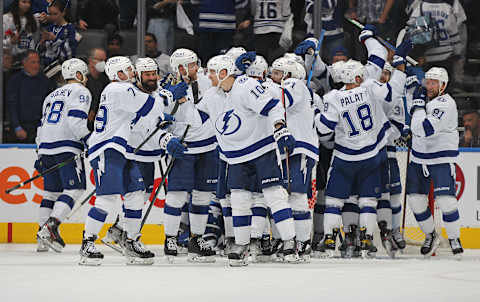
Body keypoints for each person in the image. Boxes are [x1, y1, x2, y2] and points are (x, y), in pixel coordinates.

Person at [314, 25, 409, 258]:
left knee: (335, 201)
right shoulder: (368, 88)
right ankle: (366, 237)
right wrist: (369, 38)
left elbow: (323, 129)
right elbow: (391, 86)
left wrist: (316, 109)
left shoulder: (334, 97)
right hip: (372, 155)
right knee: (368, 200)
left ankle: (329, 238)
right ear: (357, 77)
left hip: (345, 157)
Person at [195, 54, 298, 266]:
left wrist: (280, 127)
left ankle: (290, 242)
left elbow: (273, 105)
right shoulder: (212, 95)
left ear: (224, 73)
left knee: (274, 196)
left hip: (261, 150)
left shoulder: (246, 86)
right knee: (239, 200)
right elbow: (195, 121)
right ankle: (241, 245)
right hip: (234, 156)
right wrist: (177, 108)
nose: (209, 76)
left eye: (212, 72)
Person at [79, 56, 179, 266]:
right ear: (119, 74)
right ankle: (87, 242)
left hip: (123, 150)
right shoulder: (119, 89)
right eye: (128, 70)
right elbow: (147, 106)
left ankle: (131, 241)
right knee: (106, 199)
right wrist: (167, 95)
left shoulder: (123, 90)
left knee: (135, 194)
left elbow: (144, 116)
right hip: (108, 149)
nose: (133, 73)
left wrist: (161, 122)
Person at [162, 48, 218, 263]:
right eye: (187, 66)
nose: (193, 69)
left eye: (194, 64)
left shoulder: (209, 83)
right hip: (183, 147)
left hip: (208, 145)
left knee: (203, 195)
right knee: (176, 195)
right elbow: (161, 114)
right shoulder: (166, 85)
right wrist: (169, 101)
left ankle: (196, 238)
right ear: (178, 68)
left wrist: (184, 100)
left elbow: (199, 118)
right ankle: (170, 239)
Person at [262, 56, 318, 261]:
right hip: (287, 148)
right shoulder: (290, 84)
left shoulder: (296, 84)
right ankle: (282, 238)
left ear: (289, 74)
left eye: (277, 73)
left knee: (297, 196)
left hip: (300, 149)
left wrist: (259, 86)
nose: (272, 76)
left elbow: (284, 99)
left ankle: (303, 243)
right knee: (282, 196)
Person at [407, 67, 463, 258]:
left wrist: (417, 105)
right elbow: (411, 123)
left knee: (446, 202)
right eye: (428, 82)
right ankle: (431, 235)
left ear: (443, 85)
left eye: (434, 83)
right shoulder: (424, 99)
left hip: (440, 158)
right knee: (415, 201)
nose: (429, 86)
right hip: (418, 158)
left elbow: (425, 128)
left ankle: (455, 237)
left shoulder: (446, 104)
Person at [36, 58, 91, 253]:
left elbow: (41, 125)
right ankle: (51, 227)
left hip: (45, 146)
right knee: (75, 188)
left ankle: (41, 238)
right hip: (66, 146)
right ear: (79, 74)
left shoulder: (50, 95)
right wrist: (89, 140)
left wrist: (38, 152)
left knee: (51, 192)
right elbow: (76, 121)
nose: (86, 79)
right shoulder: (81, 92)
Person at [6, 50, 56, 143]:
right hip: (21, 129)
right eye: (33, 62)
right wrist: (17, 127)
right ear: (24, 63)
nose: (36, 66)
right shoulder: (15, 80)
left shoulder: (44, 80)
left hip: (40, 129)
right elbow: (11, 105)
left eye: (37, 62)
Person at [37, 0, 77, 66]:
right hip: (45, 65)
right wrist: (42, 43)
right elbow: (39, 52)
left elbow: (69, 55)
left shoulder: (70, 29)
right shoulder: (49, 28)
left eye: (55, 14)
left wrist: (55, 40)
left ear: (63, 13)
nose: (52, 17)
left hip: (61, 66)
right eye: (50, 14)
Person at [3, 0, 40, 65]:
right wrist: (10, 41)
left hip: (29, 59)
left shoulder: (34, 20)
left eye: (29, 2)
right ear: (17, 2)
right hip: (11, 60)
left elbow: (35, 39)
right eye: (24, 2)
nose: (27, 5)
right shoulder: (6, 19)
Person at [85, 48, 109, 129]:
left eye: (104, 60)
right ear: (91, 60)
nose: (103, 63)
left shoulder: (105, 80)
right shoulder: (83, 79)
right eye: (100, 60)